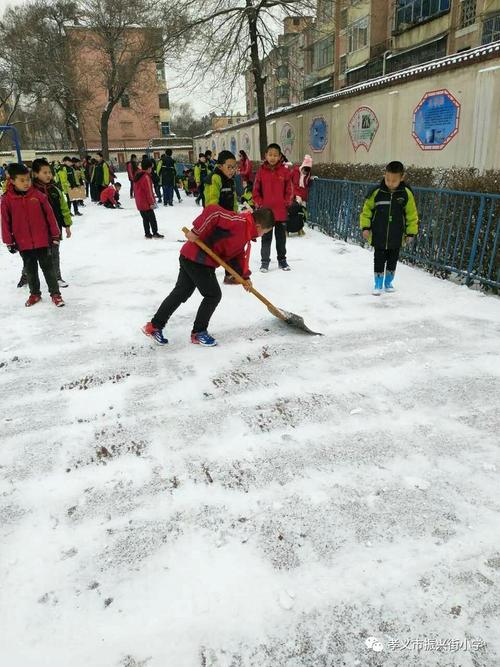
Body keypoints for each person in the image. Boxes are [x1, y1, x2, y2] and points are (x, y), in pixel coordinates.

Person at [141, 204, 275, 347]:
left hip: (191, 257)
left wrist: (245, 277)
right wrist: (196, 231)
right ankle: (199, 332)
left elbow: (237, 256)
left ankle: (153, 326)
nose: (263, 236)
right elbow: (214, 211)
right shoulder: (239, 222)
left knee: (181, 292)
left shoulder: (245, 234)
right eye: (265, 232)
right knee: (213, 295)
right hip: (198, 259)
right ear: (259, 227)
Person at [1, 163, 64, 307]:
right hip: (23, 242)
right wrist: (8, 241)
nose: (26, 183)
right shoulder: (6, 200)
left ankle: (56, 294)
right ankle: (35, 294)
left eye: (28, 180)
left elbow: (50, 215)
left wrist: (55, 234)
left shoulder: (38, 196)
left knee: (48, 268)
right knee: (30, 270)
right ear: (12, 181)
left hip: (42, 240)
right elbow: (5, 222)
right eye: (21, 180)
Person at [360, 160, 419, 295]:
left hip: (396, 235)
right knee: (379, 260)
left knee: (392, 261)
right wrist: (365, 227)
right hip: (379, 234)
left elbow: (412, 214)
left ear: (402, 178)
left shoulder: (406, 194)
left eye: (394, 180)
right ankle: (378, 283)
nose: (390, 183)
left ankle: (388, 282)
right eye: (387, 179)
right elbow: (366, 210)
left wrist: (410, 233)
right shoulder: (376, 192)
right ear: (384, 175)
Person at [32, 158, 72, 289]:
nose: (48, 175)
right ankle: (27, 275)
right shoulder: (31, 192)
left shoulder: (55, 190)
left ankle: (57, 277)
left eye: (49, 172)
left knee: (55, 253)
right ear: (36, 173)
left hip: (55, 229)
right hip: (37, 231)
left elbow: (64, 208)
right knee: (33, 255)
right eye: (44, 172)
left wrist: (67, 225)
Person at [253, 142, 293, 272]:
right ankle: (265, 262)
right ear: (265, 155)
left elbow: (289, 190)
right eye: (270, 154)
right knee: (266, 238)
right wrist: (260, 203)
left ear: (280, 156)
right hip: (266, 213)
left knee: (281, 238)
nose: (272, 157)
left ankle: (282, 260)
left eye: (275, 155)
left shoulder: (285, 171)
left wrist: (286, 202)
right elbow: (256, 191)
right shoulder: (261, 172)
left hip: (280, 212)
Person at [204, 150, 239, 285]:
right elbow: (211, 203)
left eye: (234, 167)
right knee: (213, 251)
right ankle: (207, 278)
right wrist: (222, 219)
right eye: (229, 167)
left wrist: (235, 216)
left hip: (228, 221)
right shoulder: (215, 178)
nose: (232, 170)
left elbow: (234, 200)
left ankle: (229, 275)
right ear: (220, 166)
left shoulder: (230, 180)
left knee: (230, 248)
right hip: (215, 221)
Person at [133, 158, 164, 239]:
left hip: (139, 202)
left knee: (145, 219)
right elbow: (149, 191)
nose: (151, 170)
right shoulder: (146, 177)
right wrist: (152, 203)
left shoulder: (138, 175)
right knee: (152, 219)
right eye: (151, 168)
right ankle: (155, 233)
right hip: (146, 202)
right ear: (148, 168)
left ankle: (147, 233)